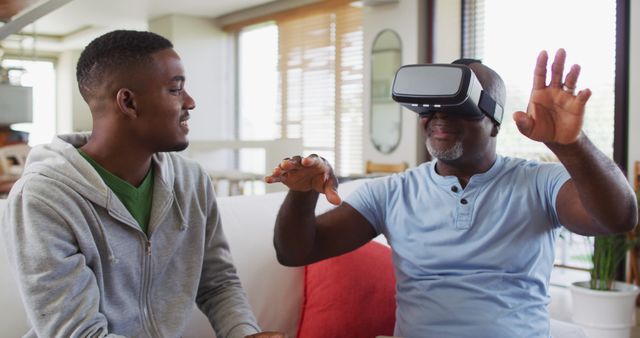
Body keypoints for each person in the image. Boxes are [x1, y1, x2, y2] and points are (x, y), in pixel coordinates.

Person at [265, 49, 639, 337]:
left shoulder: (539, 183)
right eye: (431, 105)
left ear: (494, 123)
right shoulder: (393, 192)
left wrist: (571, 145)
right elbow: (296, 251)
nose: (441, 114)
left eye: (460, 104)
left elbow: (618, 218)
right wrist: (303, 193)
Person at [1, 30, 283, 338]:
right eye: (176, 90)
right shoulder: (44, 197)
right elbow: (78, 334)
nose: (190, 102)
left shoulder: (192, 181)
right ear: (129, 102)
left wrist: (244, 333)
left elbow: (218, 282)